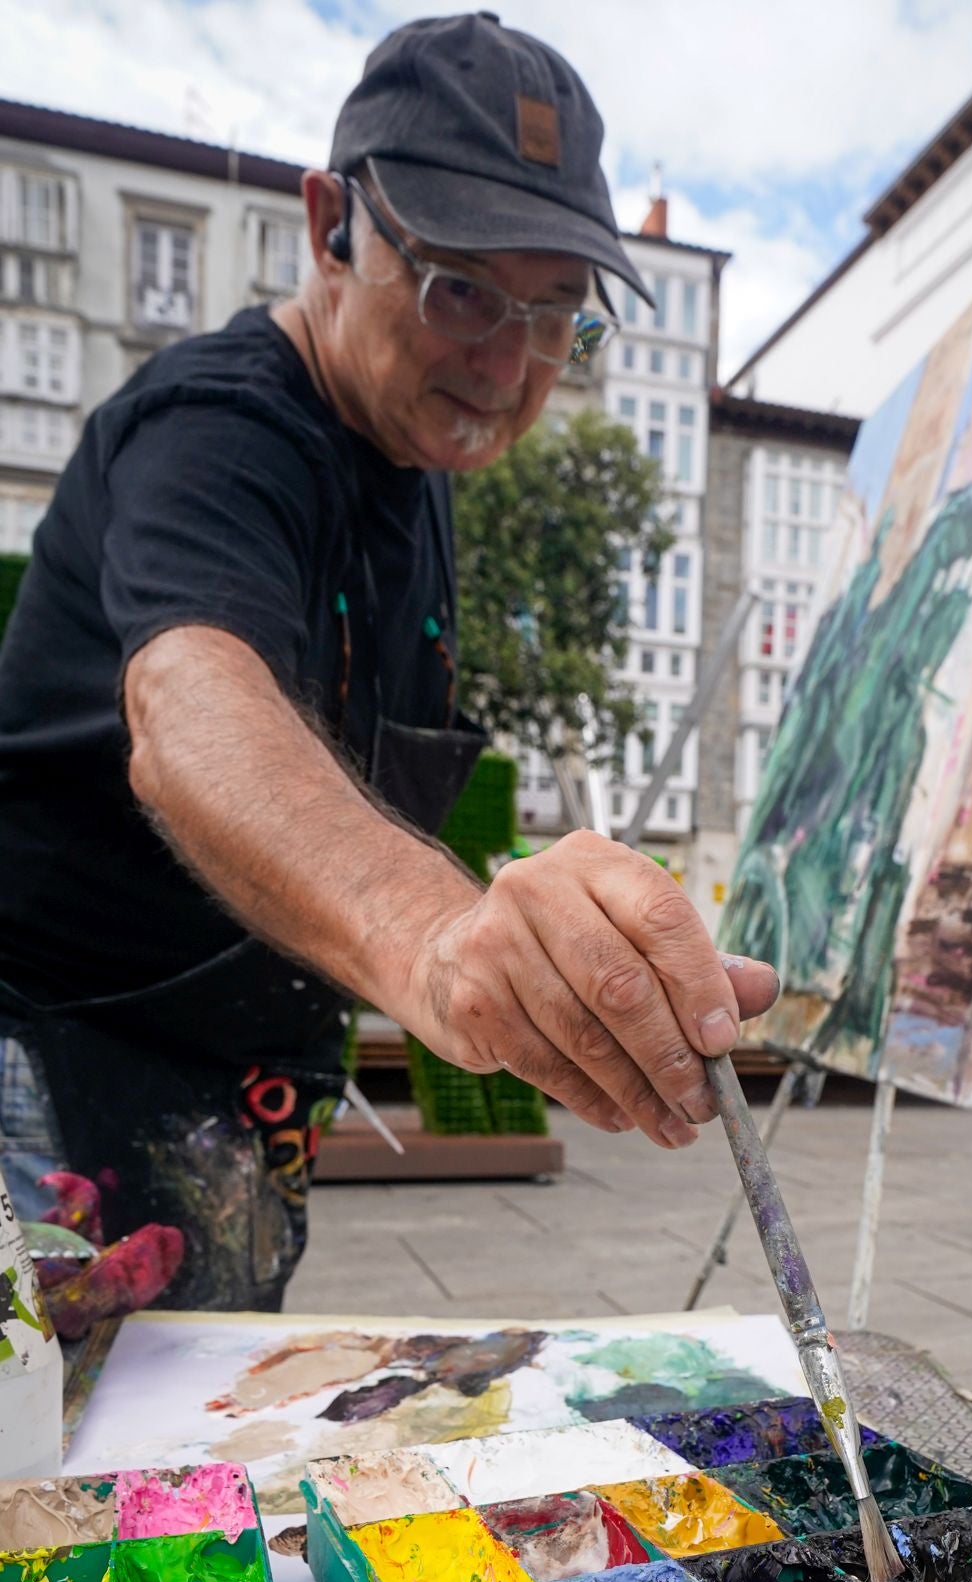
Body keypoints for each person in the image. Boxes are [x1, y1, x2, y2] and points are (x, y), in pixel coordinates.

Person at [0, 15, 777, 1310]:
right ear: (327, 225)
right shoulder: (217, 426)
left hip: (235, 1114)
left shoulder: (418, 474)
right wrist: (436, 941)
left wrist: (550, 956)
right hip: (45, 1090)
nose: (508, 363)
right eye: (462, 288)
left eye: (555, 315)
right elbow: (195, 705)